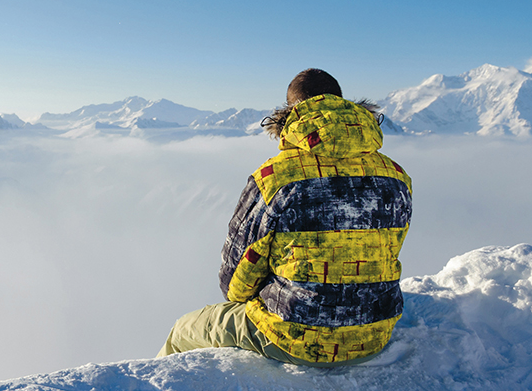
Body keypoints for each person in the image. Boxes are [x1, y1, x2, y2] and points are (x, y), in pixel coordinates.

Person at [158, 68, 412, 366]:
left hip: (295, 339)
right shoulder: (395, 175)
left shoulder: (275, 178)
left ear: (290, 113)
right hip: (374, 335)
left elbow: (236, 279)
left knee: (183, 330)